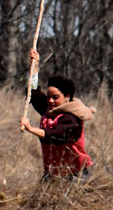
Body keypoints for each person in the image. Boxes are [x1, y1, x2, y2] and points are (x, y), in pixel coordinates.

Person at [20, 49, 94, 182]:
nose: (50, 101)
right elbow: (33, 94)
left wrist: (30, 129)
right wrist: (35, 66)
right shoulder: (51, 110)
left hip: (76, 174)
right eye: (48, 97)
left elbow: (56, 135)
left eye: (55, 97)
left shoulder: (72, 117)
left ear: (67, 96)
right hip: (53, 171)